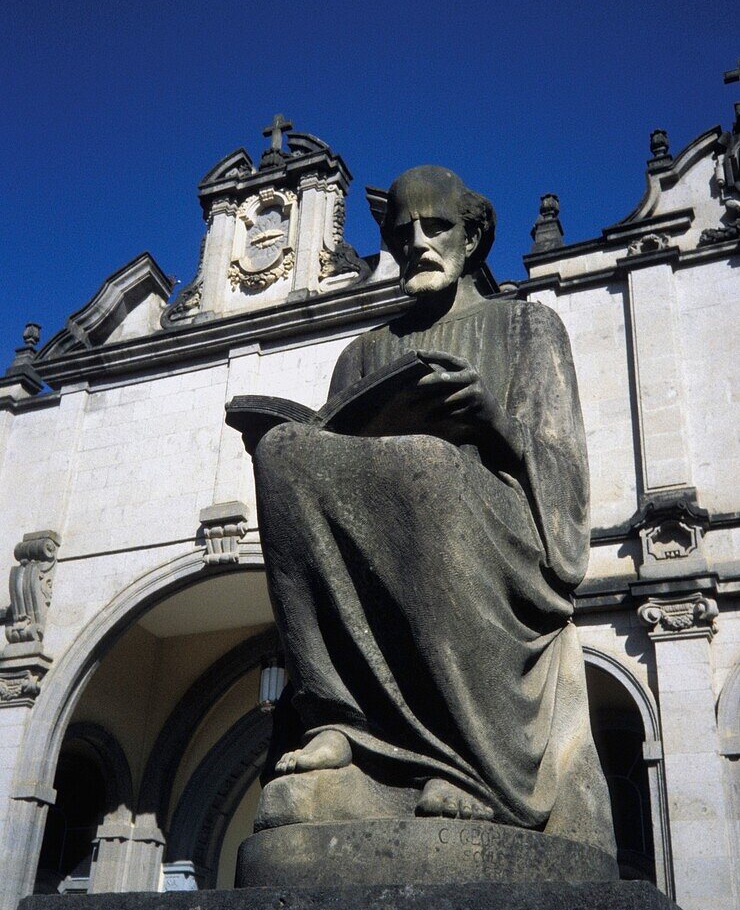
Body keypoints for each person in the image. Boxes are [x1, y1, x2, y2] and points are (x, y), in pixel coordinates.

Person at [253, 165, 615, 851]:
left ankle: (474, 766)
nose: (418, 242)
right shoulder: (365, 351)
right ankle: (342, 722)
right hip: (393, 532)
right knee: (281, 452)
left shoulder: (527, 327)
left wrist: (491, 422)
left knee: (423, 463)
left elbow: (564, 468)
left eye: (436, 227)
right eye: (403, 232)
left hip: (502, 538)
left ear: (472, 238)